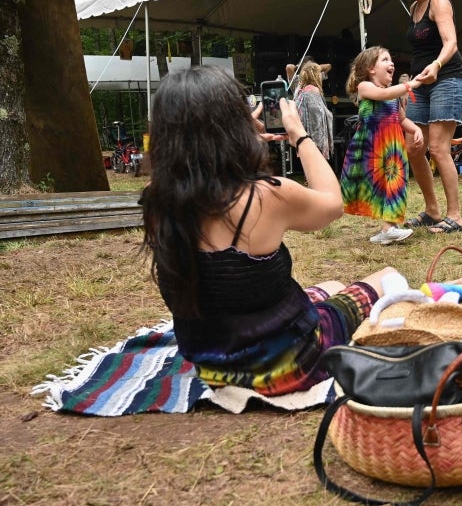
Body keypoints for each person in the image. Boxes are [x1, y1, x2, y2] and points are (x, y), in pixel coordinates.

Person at [140, 65, 398, 397]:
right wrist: (299, 135)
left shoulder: (156, 200)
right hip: (288, 361)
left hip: (212, 363)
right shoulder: (266, 194)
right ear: (234, 123)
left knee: (333, 286)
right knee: (388, 276)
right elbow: (333, 203)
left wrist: (230, 149)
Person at [391, 0, 462, 234]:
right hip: (420, 85)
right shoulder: (414, 8)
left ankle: (455, 216)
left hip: (446, 79)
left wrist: (436, 65)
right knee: (414, 148)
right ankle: (433, 211)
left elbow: (451, 43)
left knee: (437, 147)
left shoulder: (439, 2)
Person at [341, 46, 423, 245]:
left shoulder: (393, 93)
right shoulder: (364, 87)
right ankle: (387, 229)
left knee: (396, 184)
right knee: (379, 186)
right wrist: (410, 85)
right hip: (373, 147)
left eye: (391, 60)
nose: (391, 63)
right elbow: (382, 96)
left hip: (393, 147)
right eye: (385, 60)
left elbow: (401, 119)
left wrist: (415, 129)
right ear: (371, 69)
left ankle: (388, 228)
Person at [290, 60, 333, 158]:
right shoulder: (313, 90)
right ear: (316, 75)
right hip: (316, 136)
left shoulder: (300, 90)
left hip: (303, 134)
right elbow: (318, 116)